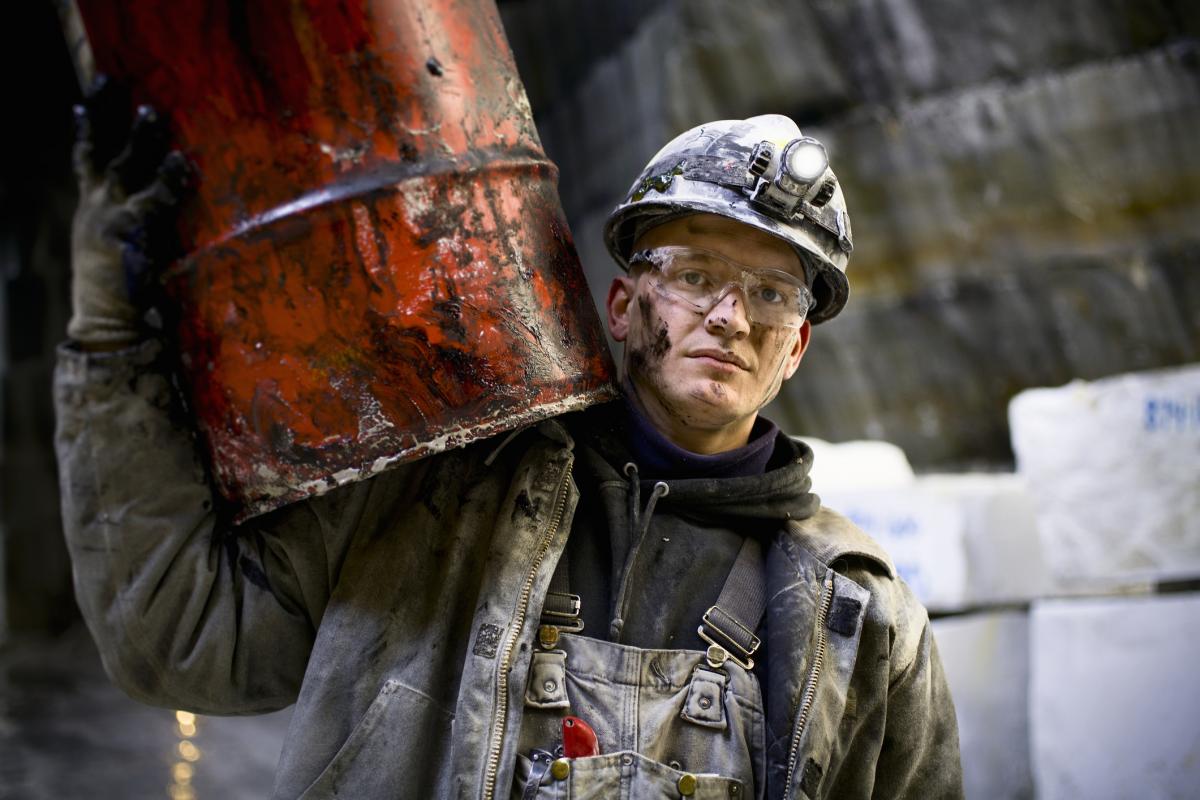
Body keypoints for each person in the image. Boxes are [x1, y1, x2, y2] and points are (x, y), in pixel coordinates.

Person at [57, 86, 963, 799]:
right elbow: (181, 637)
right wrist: (108, 328)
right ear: (624, 303)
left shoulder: (858, 621)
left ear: (797, 346)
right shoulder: (433, 505)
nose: (732, 317)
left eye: (772, 294)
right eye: (696, 275)